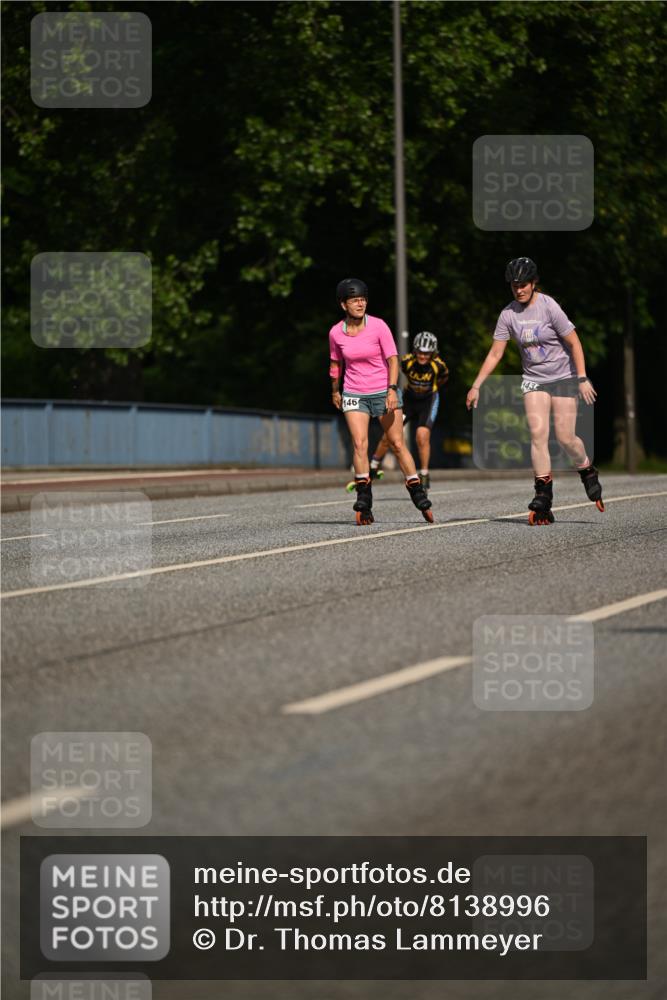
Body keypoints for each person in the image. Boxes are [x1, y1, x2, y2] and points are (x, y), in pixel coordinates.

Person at [466, 257, 604, 524]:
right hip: (534, 379)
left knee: (565, 438)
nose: (519, 290)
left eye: (524, 285)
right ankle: (543, 496)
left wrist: (583, 378)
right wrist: (476, 385)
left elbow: (574, 342)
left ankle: (586, 469)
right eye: (514, 285)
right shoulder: (508, 314)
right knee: (538, 433)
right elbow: (496, 352)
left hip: (564, 376)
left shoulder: (548, 306)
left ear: (534, 283)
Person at [329, 278, 433, 524]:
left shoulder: (378, 326)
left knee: (396, 443)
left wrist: (391, 389)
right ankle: (364, 498)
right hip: (354, 392)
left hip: (382, 390)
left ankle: (417, 490)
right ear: (343, 304)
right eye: (354, 300)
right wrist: (335, 390)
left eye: (363, 299)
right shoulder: (335, 332)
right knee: (359, 443)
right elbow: (336, 363)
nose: (360, 304)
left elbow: (393, 359)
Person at [369, 331, 449, 490]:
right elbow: (392, 371)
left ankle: (424, 474)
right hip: (409, 400)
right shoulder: (406, 362)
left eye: (427, 354)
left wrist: (432, 389)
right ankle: (373, 466)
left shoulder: (439, 365)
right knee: (389, 435)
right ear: (414, 350)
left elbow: (444, 378)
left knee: (422, 436)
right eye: (420, 352)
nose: (423, 357)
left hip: (428, 400)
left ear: (433, 353)